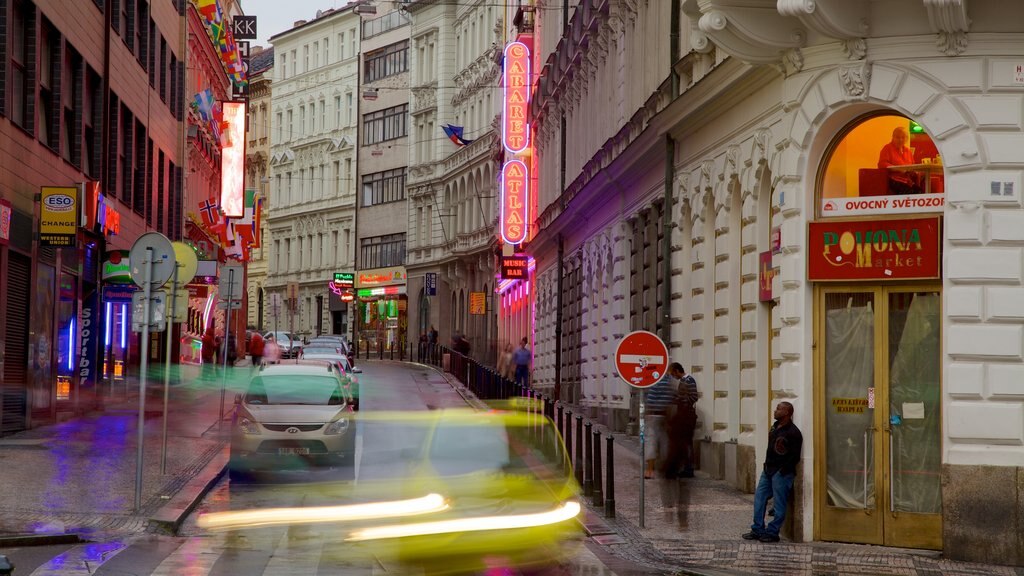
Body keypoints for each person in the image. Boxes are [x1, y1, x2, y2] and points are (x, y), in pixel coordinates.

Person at [743, 401, 803, 543]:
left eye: (778, 409)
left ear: (787, 413)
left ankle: (773, 532)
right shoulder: (775, 427)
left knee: (779, 504)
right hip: (768, 469)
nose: (775, 411)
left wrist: (782, 471)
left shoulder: (793, 432)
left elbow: (795, 456)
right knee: (759, 498)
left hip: (781, 472)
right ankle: (757, 528)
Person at [643, 363, 682, 479]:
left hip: (653, 415)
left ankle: (650, 470)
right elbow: (674, 399)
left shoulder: (654, 381)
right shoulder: (671, 382)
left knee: (651, 441)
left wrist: (647, 413)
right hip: (665, 416)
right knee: (665, 442)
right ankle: (666, 469)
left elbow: (650, 399)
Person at [663, 363, 699, 479]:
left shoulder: (689, 380)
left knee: (687, 442)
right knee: (683, 442)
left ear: (677, 371)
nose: (673, 376)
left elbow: (694, 397)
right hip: (682, 414)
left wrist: (680, 399)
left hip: (688, 415)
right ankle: (685, 467)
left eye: (673, 373)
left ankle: (689, 469)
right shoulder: (683, 381)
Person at [878, 126, 922, 194]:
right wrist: (899, 169)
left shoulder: (908, 151)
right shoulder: (887, 148)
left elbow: (913, 165)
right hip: (893, 179)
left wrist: (915, 172)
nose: (900, 139)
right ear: (893, 137)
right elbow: (882, 164)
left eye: (903, 137)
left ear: (906, 139)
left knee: (919, 191)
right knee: (910, 192)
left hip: (908, 180)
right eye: (898, 137)